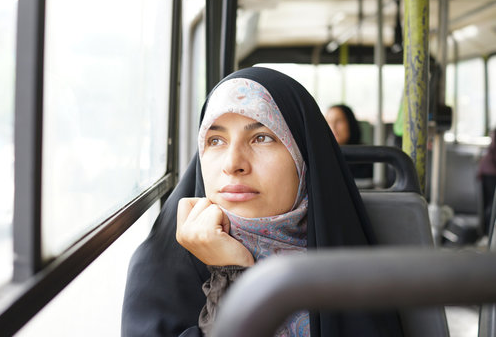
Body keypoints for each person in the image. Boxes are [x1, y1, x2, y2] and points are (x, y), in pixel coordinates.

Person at [121, 67, 403, 337]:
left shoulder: (351, 263)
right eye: (216, 140)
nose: (233, 164)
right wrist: (229, 277)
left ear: (303, 157)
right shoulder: (158, 272)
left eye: (262, 137)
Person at [325, 104, 373, 179]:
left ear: (350, 123)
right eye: (328, 122)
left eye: (339, 121)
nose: (332, 126)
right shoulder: (321, 156)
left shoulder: (368, 157)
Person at [478, 129, 496, 236]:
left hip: (488, 171)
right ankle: (488, 233)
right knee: (491, 205)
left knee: (489, 204)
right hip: (491, 172)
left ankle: (487, 233)